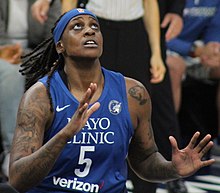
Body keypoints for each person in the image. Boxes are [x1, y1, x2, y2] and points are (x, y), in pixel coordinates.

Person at [8, 8, 214, 193]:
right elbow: (18, 179)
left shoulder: (133, 93)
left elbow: (144, 160)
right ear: (60, 45)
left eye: (94, 26)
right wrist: (64, 135)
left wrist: (173, 169)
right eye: (77, 27)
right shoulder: (40, 97)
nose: (89, 31)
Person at [0, 0, 61, 180]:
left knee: (54, 70)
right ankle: (13, 151)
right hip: (3, 53)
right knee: (11, 74)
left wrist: (26, 55)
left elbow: (53, 37)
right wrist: (7, 51)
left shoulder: (46, 1)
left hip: (32, 55)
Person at [166, 0, 220, 144]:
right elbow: (159, 35)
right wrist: (192, 49)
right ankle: (167, 140)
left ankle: (218, 145)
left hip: (200, 54)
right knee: (174, 67)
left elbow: (215, 28)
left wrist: (214, 48)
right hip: (167, 52)